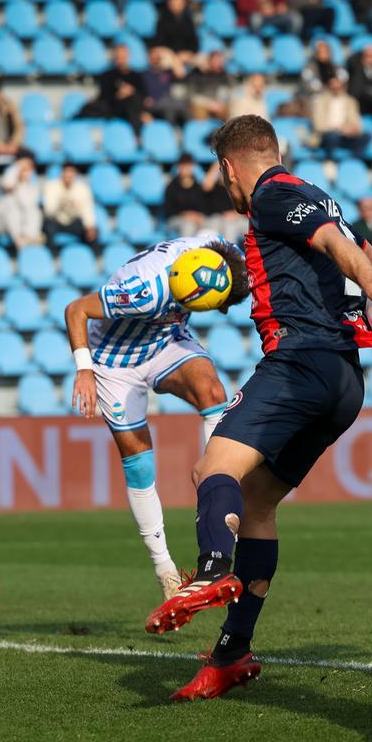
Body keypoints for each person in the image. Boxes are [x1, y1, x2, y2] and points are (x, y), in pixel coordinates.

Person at [145, 115, 372, 704]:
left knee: (212, 471)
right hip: (343, 382)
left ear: (231, 167)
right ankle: (233, 653)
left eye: (220, 174)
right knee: (256, 505)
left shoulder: (274, 196)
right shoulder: (310, 194)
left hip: (299, 363)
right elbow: (337, 250)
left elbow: (338, 248)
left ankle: (210, 570)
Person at [66, 235, 249, 600]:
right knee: (138, 466)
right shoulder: (144, 291)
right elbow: (75, 310)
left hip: (164, 343)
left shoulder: (217, 255)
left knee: (213, 392)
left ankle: (218, 489)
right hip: (114, 362)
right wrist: (84, 370)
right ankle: (165, 569)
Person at [77, 43, 146, 132]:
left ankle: (137, 134)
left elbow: (144, 96)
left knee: (131, 101)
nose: (121, 60)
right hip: (113, 107)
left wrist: (132, 91)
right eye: (118, 57)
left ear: (128, 57)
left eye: (123, 57)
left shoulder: (136, 76)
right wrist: (119, 95)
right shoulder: (107, 75)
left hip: (132, 108)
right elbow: (104, 97)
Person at [0, 156, 42, 248]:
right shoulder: (7, 185)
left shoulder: (33, 187)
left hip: (24, 225)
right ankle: (20, 241)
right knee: (12, 210)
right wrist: (16, 166)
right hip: (3, 224)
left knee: (35, 211)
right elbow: (7, 183)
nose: (24, 173)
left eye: (27, 170)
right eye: (22, 170)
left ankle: (30, 237)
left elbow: (27, 205)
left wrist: (21, 186)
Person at [310, 73, 368, 152]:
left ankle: (354, 160)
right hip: (328, 134)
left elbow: (356, 122)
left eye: (339, 87)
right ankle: (330, 159)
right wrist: (338, 128)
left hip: (346, 136)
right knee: (332, 137)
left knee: (366, 137)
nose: (336, 89)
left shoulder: (350, 101)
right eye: (333, 87)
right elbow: (319, 125)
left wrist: (352, 129)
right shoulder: (320, 101)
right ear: (329, 87)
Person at [42, 163, 97, 242]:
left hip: (74, 221)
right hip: (56, 221)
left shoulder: (82, 188)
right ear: (62, 174)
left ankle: (95, 253)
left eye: (71, 175)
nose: (68, 177)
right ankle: (52, 253)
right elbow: (48, 210)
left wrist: (90, 227)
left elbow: (87, 209)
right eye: (66, 174)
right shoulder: (52, 186)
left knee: (92, 233)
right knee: (49, 229)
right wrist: (61, 205)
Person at [163, 154, 207, 237]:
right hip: (176, 220)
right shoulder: (171, 187)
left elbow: (204, 207)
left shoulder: (198, 187)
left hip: (196, 219)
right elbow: (169, 211)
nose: (185, 169)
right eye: (182, 165)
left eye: (188, 165)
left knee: (211, 224)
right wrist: (185, 215)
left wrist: (197, 216)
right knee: (188, 226)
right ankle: (187, 249)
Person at [152, 0, 198, 64]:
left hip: (186, 55)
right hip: (168, 54)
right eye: (174, 1)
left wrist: (188, 53)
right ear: (169, 3)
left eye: (180, 1)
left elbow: (194, 43)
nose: (177, 3)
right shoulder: (162, 21)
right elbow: (160, 43)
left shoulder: (188, 21)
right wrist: (175, 55)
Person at [186, 49, 232, 120]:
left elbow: (227, 90)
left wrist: (219, 103)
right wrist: (209, 104)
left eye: (220, 61)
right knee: (199, 112)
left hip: (218, 103)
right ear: (209, 60)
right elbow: (192, 95)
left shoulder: (223, 74)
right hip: (201, 103)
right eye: (216, 61)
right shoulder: (196, 73)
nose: (219, 63)